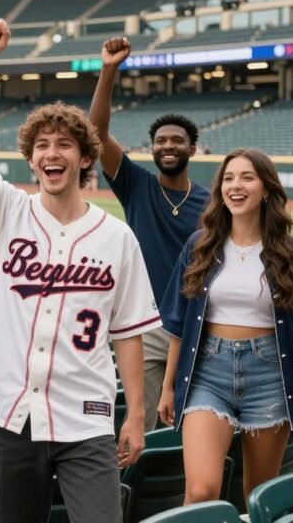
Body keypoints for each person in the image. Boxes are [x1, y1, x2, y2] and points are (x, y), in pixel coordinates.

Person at [0, 20, 160, 523]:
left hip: (86, 417)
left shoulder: (116, 237)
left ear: (85, 159)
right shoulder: (7, 212)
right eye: (41, 145)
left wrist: (136, 415)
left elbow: (128, 333)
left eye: (63, 144)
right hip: (11, 412)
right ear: (31, 159)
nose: (51, 153)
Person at [157, 149, 293, 504]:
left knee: (259, 494)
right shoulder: (200, 246)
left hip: (270, 375)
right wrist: (168, 386)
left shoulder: (291, 253)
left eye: (247, 178)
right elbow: (179, 326)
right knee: (201, 491)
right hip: (208, 372)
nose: (235, 186)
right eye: (228, 178)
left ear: (266, 189)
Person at [89, 36, 210, 433]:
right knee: (146, 427)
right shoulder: (137, 186)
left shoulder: (211, 203)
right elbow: (95, 131)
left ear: (192, 149)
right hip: (146, 324)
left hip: (196, 324)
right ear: (152, 148)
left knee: (197, 422)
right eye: (161, 141)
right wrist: (109, 70)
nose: (168, 146)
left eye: (177, 141)